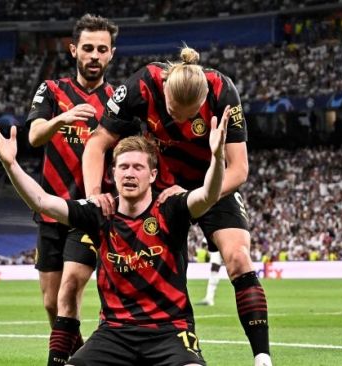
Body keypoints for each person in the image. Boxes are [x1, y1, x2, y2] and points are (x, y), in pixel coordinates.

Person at [0, 104, 226, 365]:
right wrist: (10, 164)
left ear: (153, 174)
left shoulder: (171, 208)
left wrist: (216, 157)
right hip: (114, 334)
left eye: (137, 167)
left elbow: (208, 195)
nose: (130, 174)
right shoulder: (100, 212)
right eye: (123, 167)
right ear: (113, 172)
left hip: (170, 331)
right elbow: (42, 201)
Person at [82, 46, 272, 366]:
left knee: (239, 257)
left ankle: (262, 357)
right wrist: (93, 198)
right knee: (153, 266)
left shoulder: (223, 92)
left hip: (213, 183)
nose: (179, 120)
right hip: (160, 191)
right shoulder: (141, 86)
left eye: (188, 115)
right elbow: (97, 142)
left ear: (202, 102)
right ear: (166, 91)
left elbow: (238, 169)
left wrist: (197, 194)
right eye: (172, 110)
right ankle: (137, 342)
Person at [24, 14, 118, 365]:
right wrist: (62, 119)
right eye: (89, 48)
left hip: (90, 212)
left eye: (102, 50)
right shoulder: (52, 90)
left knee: (71, 287)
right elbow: (34, 137)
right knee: (51, 302)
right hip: (51, 208)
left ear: (111, 54)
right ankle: (78, 355)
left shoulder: (117, 100)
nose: (95, 55)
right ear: (74, 49)